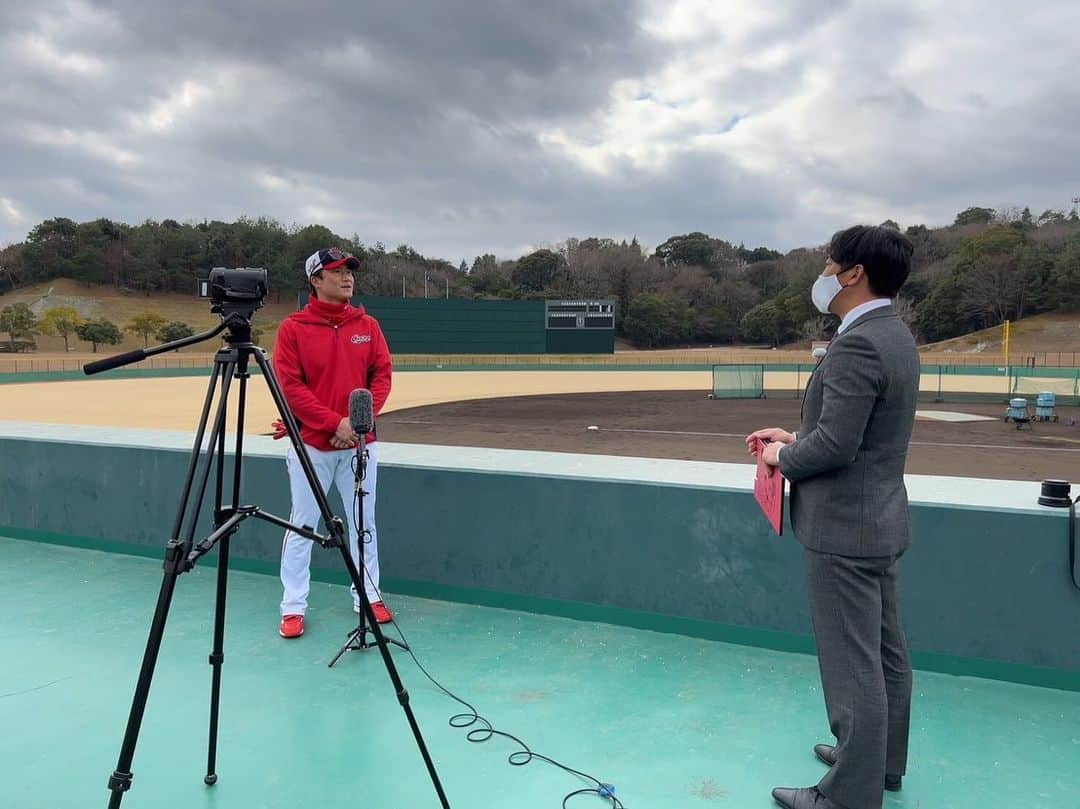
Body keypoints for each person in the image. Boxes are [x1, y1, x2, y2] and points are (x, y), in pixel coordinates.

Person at [746, 225, 919, 809]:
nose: (821, 274)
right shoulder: (894, 335)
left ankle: (847, 793)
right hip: (881, 523)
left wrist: (779, 454)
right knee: (887, 651)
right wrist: (798, 435)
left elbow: (836, 449)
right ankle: (879, 763)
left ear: (852, 274)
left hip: (843, 530)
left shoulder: (857, 344)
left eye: (827, 264)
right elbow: (859, 436)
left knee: (854, 665)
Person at [273, 247, 394, 639]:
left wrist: (359, 423)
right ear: (315, 280)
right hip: (312, 446)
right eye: (337, 271)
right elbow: (291, 388)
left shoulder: (368, 326)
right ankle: (292, 606)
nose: (347, 277)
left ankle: (368, 596)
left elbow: (382, 376)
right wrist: (334, 423)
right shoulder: (293, 328)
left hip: (360, 445)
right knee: (303, 524)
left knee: (364, 524)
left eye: (349, 271)